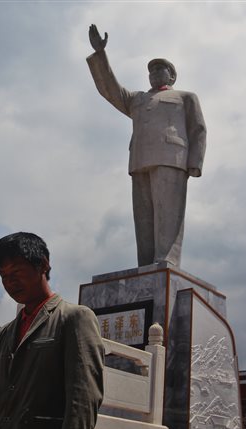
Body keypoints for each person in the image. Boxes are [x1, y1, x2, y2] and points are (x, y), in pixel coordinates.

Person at [87, 24, 207, 267]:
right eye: (151, 71)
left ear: (172, 76)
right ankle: (145, 264)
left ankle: (167, 261)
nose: (154, 73)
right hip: (140, 160)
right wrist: (101, 55)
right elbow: (110, 90)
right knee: (143, 219)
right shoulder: (137, 99)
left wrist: (195, 162)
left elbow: (198, 129)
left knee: (168, 214)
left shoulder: (185, 97)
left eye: (160, 69)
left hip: (171, 158)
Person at [0, 232, 104, 429]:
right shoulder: (4, 333)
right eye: (4, 276)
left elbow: (82, 403)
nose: (10, 283)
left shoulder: (74, 318)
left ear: (43, 265)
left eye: (16, 272)